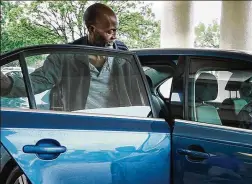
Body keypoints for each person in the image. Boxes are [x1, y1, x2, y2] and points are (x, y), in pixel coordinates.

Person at [0, 3, 146, 111]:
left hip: (122, 127)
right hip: (79, 126)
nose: (114, 36)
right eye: (110, 31)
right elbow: (38, 81)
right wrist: (8, 84)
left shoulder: (123, 55)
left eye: (116, 31)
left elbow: (141, 89)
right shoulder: (65, 57)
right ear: (91, 29)